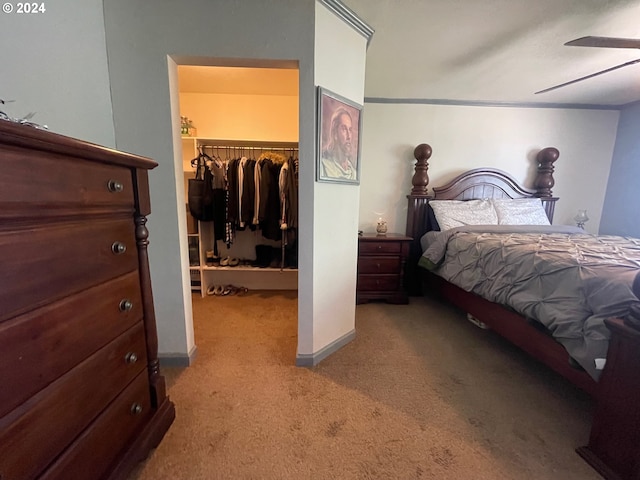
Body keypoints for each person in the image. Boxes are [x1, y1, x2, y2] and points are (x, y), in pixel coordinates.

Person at [320, 107, 357, 180]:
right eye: (344, 129)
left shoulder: (354, 173)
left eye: (350, 130)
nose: (349, 136)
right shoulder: (324, 166)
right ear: (335, 133)